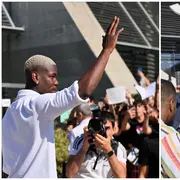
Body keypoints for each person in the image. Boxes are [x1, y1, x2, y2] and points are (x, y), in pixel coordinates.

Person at [2, 16, 124, 178]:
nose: (57, 82)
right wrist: (107, 51)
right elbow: (82, 91)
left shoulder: (10, 112)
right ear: (35, 77)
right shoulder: (38, 105)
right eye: (52, 76)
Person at [65, 112, 127, 178]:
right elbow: (69, 174)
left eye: (107, 128)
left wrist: (109, 151)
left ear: (114, 130)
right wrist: (84, 148)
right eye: (100, 128)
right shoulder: (80, 141)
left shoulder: (118, 147)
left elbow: (121, 177)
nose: (103, 132)